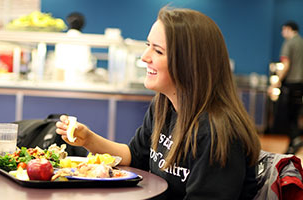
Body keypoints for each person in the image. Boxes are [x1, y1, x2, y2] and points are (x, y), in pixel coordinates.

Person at [56, 7, 261, 199]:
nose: (145, 57)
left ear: (189, 63)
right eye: (148, 46)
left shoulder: (218, 133)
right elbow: (135, 157)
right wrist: (88, 139)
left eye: (158, 51)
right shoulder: (164, 105)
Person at [268, 21, 303, 154]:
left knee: (288, 115)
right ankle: (295, 140)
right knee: (296, 115)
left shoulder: (289, 44)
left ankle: (294, 141)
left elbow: (286, 65)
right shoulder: (301, 42)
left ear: (289, 29)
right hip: (301, 84)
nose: (282, 33)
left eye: (283, 30)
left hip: (291, 84)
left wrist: (275, 83)